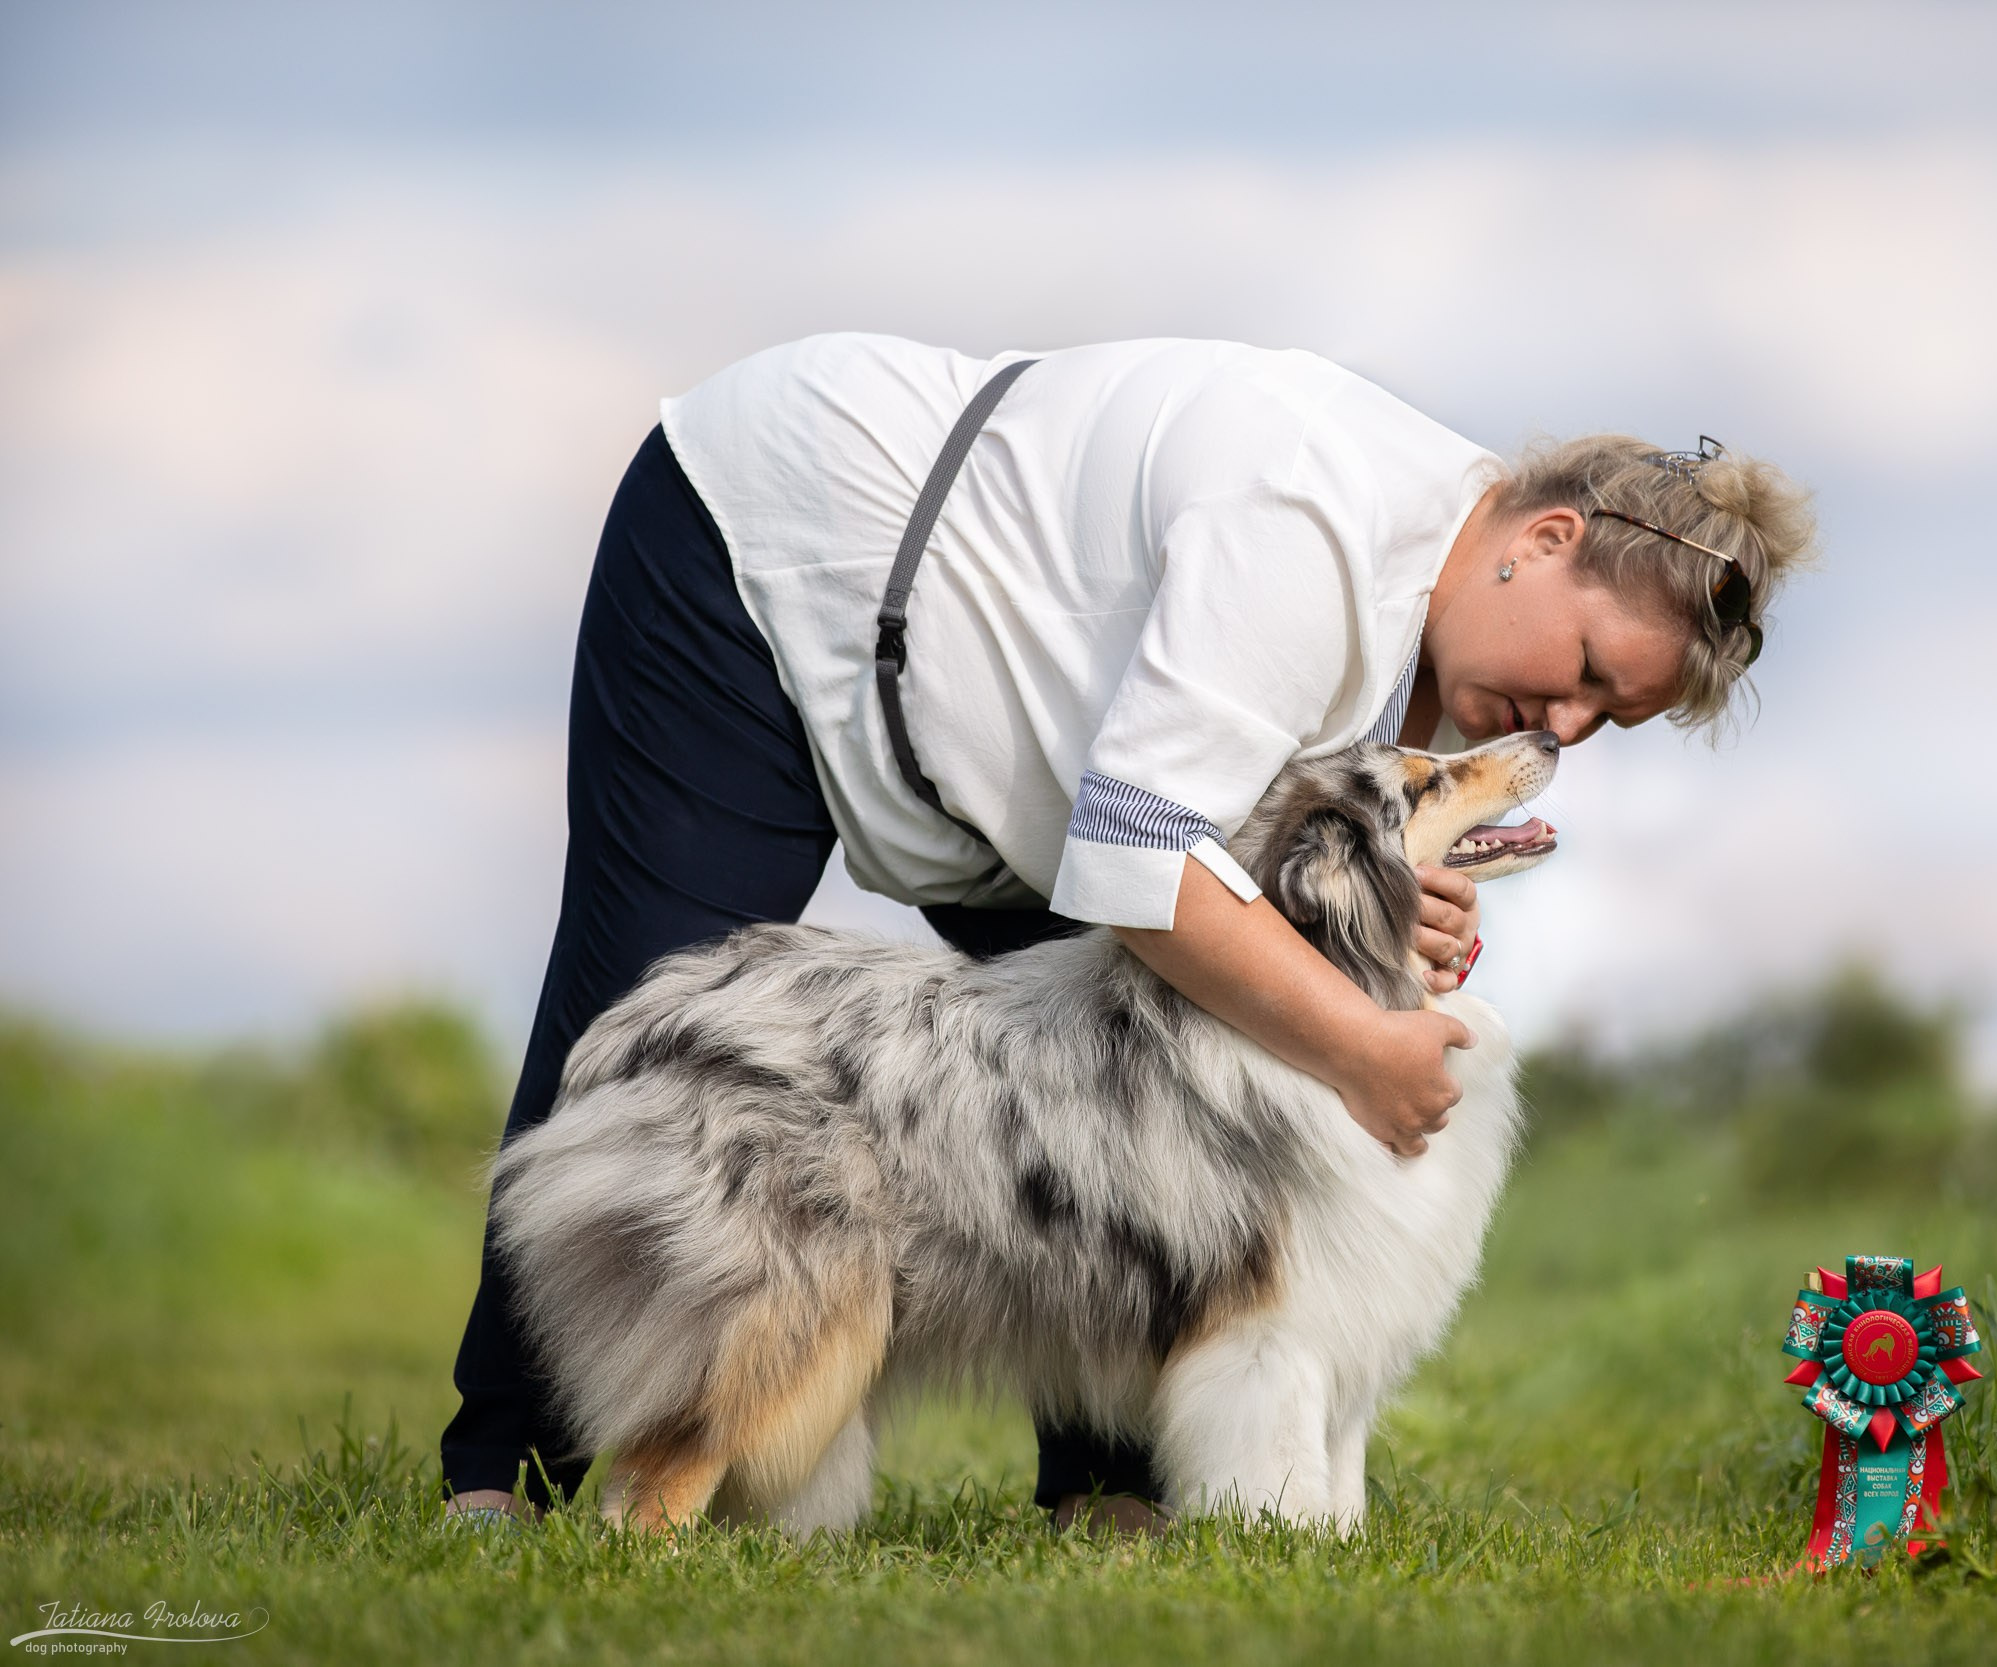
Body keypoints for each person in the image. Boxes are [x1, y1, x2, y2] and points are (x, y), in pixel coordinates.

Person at [437, 334, 1816, 1531]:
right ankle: (507, 1472)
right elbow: (1145, 862)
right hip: (767, 556)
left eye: (1608, 716)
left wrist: (1389, 916)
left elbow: (1265, 851)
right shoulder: (1305, 520)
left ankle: (1111, 1499)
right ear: (1548, 539)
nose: (1564, 728)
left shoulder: (1458, 598)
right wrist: (1361, 1045)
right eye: (1583, 671)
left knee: (1119, 1091)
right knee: (651, 1018)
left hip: (1010, 748)